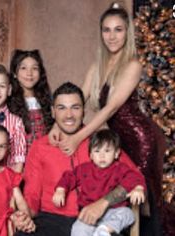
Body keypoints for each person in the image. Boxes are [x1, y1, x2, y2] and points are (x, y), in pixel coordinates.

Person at [49, 3, 166, 235]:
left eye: (118, 29)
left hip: (139, 139)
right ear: (101, 32)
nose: (112, 36)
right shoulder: (98, 65)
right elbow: (78, 98)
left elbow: (111, 109)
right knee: (116, 193)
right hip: (115, 139)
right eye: (107, 30)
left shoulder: (133, 64)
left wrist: (79, 136)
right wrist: (56, 124)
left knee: (141, 200)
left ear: (127, 32)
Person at [14, 82, 143, 236]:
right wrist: (24, 216)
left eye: (75, 107)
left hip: (98, 219)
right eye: (62, 108)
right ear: (53, 112)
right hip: (52, 220)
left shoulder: (101, 143)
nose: (69, 115)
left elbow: (136, 178)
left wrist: (103, 203)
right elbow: (32, 196)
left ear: (83, 111)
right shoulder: (40, 146)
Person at [53, 129, 146, 236]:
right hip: (88, 213)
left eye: (107, 151)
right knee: (78, 229)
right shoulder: (84, 169)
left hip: (113, 212)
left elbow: (134, 177)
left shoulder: (120, 168)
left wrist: (138, 188)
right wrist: (61, 189)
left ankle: (104, 230)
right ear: (91, 155)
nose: (102, 156)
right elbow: (69, 177)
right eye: (97, 151)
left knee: (128, 214)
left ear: (116, 153)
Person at [8, 49, 54, 152]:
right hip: (18, 159)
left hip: (43, 156)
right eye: (23, 68)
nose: (29, 73)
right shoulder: (9, 102)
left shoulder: (46, 101)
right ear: (15, 73)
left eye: (34, 68)